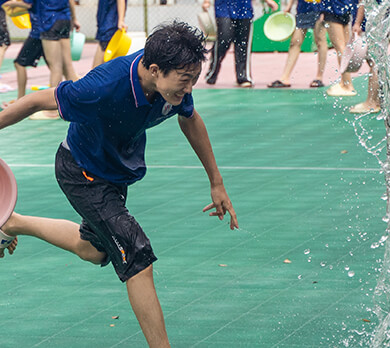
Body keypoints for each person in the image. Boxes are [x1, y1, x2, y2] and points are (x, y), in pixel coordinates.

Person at [0, 20, 238, 347]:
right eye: (185, 81)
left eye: (194, 80)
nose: (188, 89)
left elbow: (191, 120)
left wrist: (216, 181)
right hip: (81, 171)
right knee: (137, 255)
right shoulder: (102, 86)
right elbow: (37, 102)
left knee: (95, 250)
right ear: (154, 70)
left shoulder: (173, 84)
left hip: (114, 174)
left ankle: (11, 223)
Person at [5, 0, 45, 103]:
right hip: (44, 27)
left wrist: (12, 4)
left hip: (39, 30)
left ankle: (21, 100)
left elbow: (28, 5)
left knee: (19, 63)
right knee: (60, 66)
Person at [348, 0, 381, 114]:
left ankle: (371, 102)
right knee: (377, 61)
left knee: (374, 61)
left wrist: (357, 23)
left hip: (370, 21)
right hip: (380, 20)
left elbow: (363, 0)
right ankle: (381, 101)